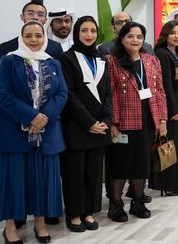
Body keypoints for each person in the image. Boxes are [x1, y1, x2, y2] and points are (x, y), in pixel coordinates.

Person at [0, 21, 67, 244]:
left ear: (44, 37)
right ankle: (10, 226)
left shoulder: (53, 63)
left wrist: (44, 117)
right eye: (29, 35)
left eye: (38, 35)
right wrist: (31, 117)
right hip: (13, 132)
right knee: (13, 181)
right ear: (21, 37)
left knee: (43, 180)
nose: (33, 40)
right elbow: (3, 93)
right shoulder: (9, 60)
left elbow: (62, 93)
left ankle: (40, 223)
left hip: (47, 132)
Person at [105, 22, 168, 222]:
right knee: (120, 163)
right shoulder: (111, 61)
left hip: (148, 118)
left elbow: (159, 91)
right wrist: (113, 122)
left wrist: (163, 119)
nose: (135, 40)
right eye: (130, 36)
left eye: (139, 37)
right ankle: (115, 205)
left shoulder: (151, 61)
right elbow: (111, 94)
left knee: (141, 163)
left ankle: (138, 201)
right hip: (123, 120)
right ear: (122, 38)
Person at [59, 16, 112, 233]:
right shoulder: (67, 58)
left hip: (100, 127)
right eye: (84, 30)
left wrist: (106, 121)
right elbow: (69, 94)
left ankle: (89, 211)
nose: (89, 35)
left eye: (92, 31)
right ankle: (74, 214)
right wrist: (89, 122)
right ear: (76, 33)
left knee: (93, 173)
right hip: (77, 126)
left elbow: (108, 93)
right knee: (74, 173)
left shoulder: (102, 58)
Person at [149, 21, 178, 197]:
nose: (176, 36)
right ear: (166, 34)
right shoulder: (162, 53)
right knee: (167, 144)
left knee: (177, 144)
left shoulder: (177, 53)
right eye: (172, 33)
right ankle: (166, 183)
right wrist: (172, 110)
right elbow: (165, 84)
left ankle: (176, 182)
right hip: (171, 105)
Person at [0, 1, 64, 60]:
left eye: (40, 15)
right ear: (22, 17)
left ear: (45, 20)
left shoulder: (55, 48)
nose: (35, 17)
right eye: (30, 13)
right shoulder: (6, 47)